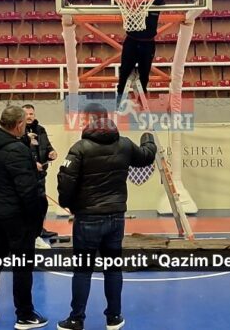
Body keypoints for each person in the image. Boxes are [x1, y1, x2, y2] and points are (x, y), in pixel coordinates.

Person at [56, 103, 157, 330]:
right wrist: (148, 136)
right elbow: (147, 156)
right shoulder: (124, 145)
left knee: (82, 270)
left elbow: (65, 181)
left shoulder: (80, 148)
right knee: (113, 268)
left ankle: (76, 319)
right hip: (115, 218)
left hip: (88, 218)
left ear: (89, 120)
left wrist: (68, 205)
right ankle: (114, 318)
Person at [0, 105, 49, 329]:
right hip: (17, 217)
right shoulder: (16, 150)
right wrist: (37, 217)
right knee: (22, 266)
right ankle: (25, 315)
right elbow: (27, 190)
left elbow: (6, 163)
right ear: (19, 125)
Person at [116, 0, 165, 101]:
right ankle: (120, 96)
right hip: (132, 41)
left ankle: (142, 100)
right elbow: (116, 1)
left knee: (144, 74)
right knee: (124, 71)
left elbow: (162, 1)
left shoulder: (154, 0)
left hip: (148, 43)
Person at [21, 104, 59, 244]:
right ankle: (28, 232)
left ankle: (39, 230)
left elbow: (47, 146)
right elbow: (17, 153)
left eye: (31, 114)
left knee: (42, 203)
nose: (29, 116)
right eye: (26, 114)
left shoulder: (40, 130)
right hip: (25, 176)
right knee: (27, 204)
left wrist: (51, 153)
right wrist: (31, 164)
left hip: (40, 175)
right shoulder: (18, 132)